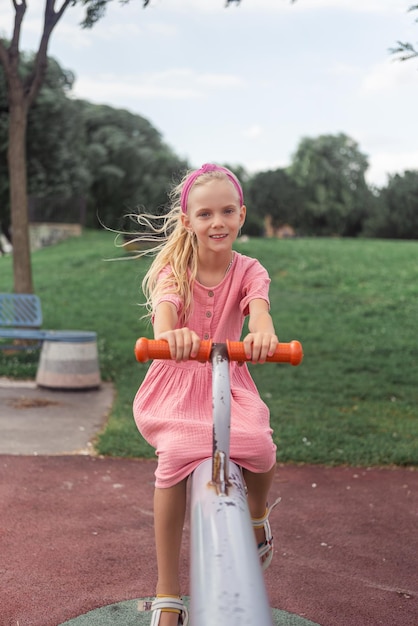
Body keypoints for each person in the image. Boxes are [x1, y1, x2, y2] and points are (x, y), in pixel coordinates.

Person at [133, 163, 279, 626]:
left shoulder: (251, 269)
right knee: (175, 455)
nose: (217, 222)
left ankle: (256, 515)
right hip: (177, 382)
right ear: (187, 221)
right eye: (205, 214)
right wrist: (171, 335)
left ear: (242, 215)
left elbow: (260, 315)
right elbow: (164, 312)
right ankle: (167, 592)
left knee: (259, 444)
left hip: (228, 381)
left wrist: (262, 336)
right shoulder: (172, 268)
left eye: (227, 212)